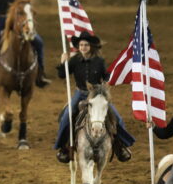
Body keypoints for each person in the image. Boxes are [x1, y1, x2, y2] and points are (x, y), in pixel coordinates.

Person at [53, 31, 134, 164]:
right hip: (80, 93)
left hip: (97, 94)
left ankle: (121, 146)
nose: (83, 47)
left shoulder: (99, 61)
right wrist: (63, 63)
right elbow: (62, 75)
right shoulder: (74, 60)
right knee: (66, 116)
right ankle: (64, 148)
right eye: (81, 45)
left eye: (86, 45)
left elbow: (106, 76)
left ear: (91, 47)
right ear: (78, 47)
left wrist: (107, 83)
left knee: (116, 118)